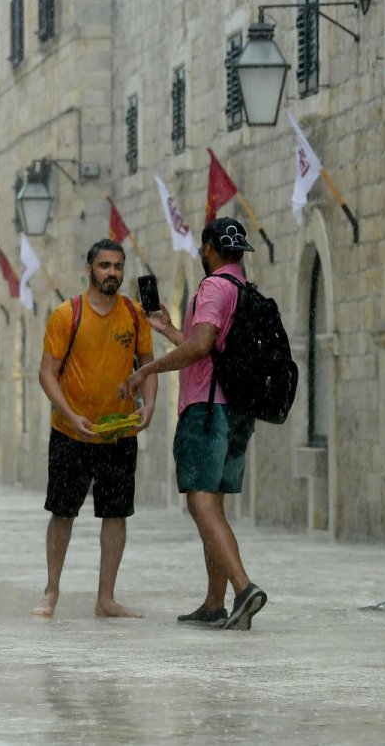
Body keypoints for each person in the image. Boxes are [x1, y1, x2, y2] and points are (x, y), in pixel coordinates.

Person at [119, 217, 268, 631]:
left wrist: (146, 372)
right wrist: (167, 329)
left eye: (205, 249)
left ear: (210, 249)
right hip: (237, 412)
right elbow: (209, 348)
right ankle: (214, 604)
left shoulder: (213, 288)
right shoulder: (244, 290)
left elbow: (200, 348)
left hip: (206, 411)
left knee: (200, 502)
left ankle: (243, 588)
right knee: (214, 505)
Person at [34, 239, 156, 620]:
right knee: (62, 512)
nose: (112, 273)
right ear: (89, 269)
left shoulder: (135, 315)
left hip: (118, 433)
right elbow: (46, 374)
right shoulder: (66, 314)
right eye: (104, 265)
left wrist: (150, 404)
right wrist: (72, 417)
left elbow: (147, 363)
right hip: (71, 433)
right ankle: (52, 590)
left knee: (116, 513)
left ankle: (106, 598)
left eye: (118, 266)